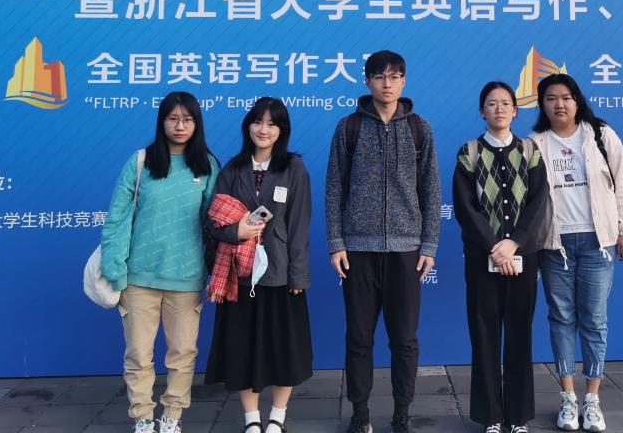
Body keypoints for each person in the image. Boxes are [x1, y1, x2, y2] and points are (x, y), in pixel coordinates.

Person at [325, 50, 441, 433]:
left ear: (404, 81)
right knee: (359, 339)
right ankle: (360, 416)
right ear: (367, 81)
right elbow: (334, 187)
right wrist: (336, 242)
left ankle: (401, 416)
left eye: (394, 77)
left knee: (404, 341)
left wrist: (428, 245)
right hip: (358, 250)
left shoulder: (420, 128)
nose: (386, 84)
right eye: (379, 76)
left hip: (406, 251)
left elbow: (431, 189)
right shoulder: (348, 127)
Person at [101, 92, 219, 433]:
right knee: (139, 354)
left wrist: (216, 274)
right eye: (173, 119)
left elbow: (213, 226)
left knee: (183, 353)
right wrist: (115, 271)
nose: (180, 126)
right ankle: (142, 418)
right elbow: (117, 218)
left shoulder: (207, 166)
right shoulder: (141, 161)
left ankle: (171, 418)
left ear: (197, 124)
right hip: (138, 278)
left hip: (186, 278)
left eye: (188, 119)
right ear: (162, 121)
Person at [529, 74, 623, 433]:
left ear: (577, 100)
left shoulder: (600, 136)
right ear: (542, 104)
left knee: (594, 320)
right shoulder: (534, 143)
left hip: (598, 242)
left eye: (566, 97)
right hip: (554, 245)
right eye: (550, 98)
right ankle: (568, 397)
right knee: (561, 318)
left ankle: (592, 399)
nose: (559, 104)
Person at [205, 97, 313, 433]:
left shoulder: (293, 168)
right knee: (243, 347)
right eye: (257, 122)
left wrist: (298, 273)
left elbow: (299, 225)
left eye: (271, 123)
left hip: (280, 273)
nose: (263, 129)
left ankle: (277, 416)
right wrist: (236, 232)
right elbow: (212, 223)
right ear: (248, 126)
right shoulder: (232, 169)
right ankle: (251, 419)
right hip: (240, 274)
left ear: (282, 130)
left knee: (284, 348)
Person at [453, 81, 552, 433]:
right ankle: (491, 417)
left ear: (515, 110)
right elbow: (465, 208)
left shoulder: (530, 151)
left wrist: (515, 243)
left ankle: (518, 417)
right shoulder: (469, 153)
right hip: (481, 259)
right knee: (484, 336)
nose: (499, 109)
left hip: (524, 258)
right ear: (482, 111)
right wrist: (496, 246)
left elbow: (538, 202)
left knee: (520, 335)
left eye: (505, 103)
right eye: (492, 104)